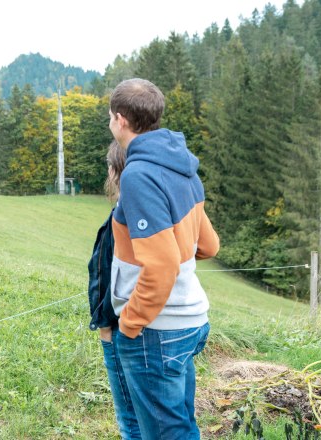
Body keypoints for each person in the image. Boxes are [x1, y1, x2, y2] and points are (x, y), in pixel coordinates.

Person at [107, 78, 220, 439]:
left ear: (120, 120)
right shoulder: (182, 166)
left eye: (111, 116)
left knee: (168, 434)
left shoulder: (139, 174)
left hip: (158, 329)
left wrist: (130, 324)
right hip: (190, 320)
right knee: (180, 427)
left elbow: (163, 265)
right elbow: (209, 246)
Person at [87, 140, 141, 439]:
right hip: (172, 324)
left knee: (131, 421)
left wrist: (105, 323)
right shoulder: (159, 206)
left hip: (125, 329)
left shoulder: (122, 215)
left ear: (114, 171)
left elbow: (108, 273)